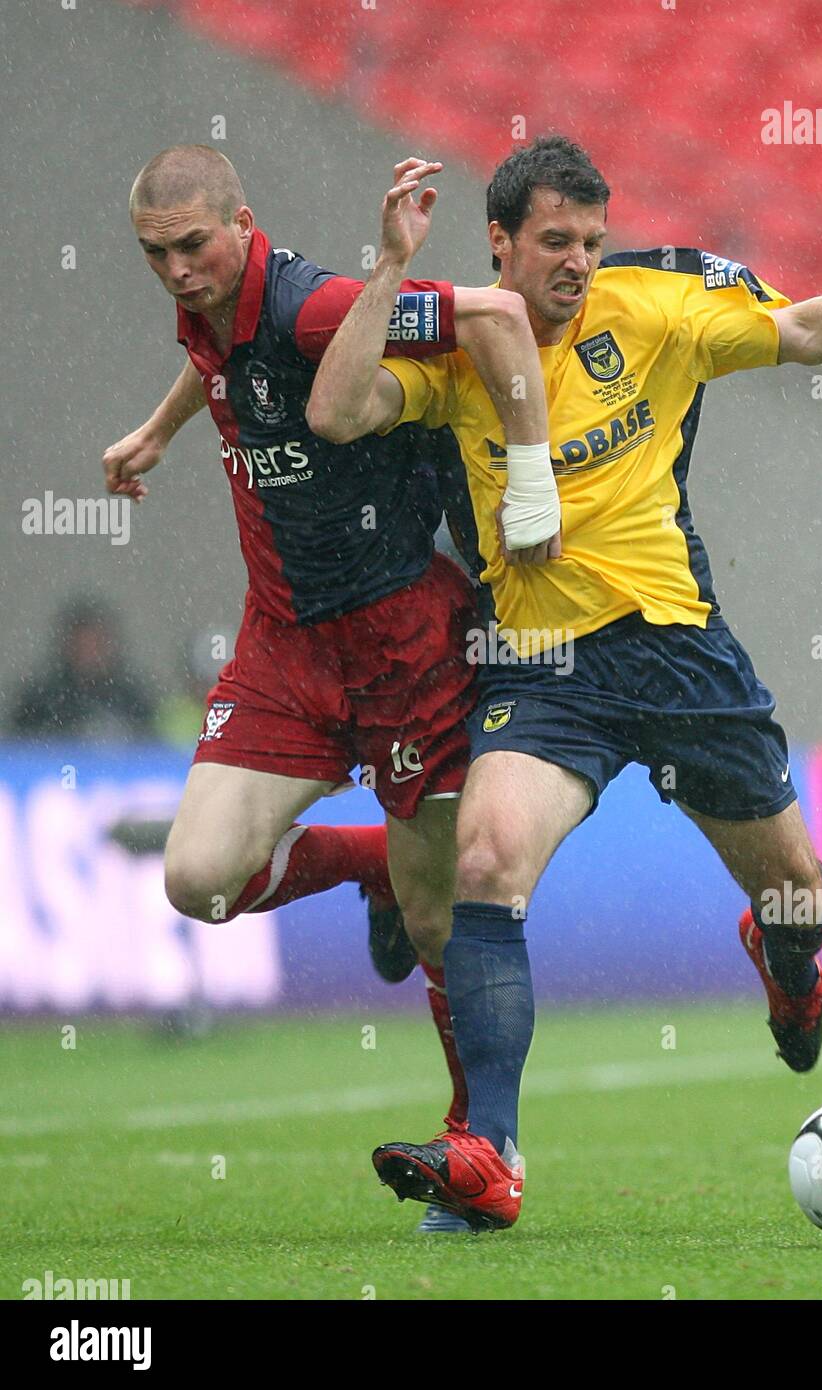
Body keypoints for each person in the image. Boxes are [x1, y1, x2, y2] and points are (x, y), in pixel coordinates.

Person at [311, 136, 822, 1230]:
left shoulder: (658, 302)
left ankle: (782, 959)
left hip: (678, 647)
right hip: (540, 666)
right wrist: (393, 270)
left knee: (797, 897)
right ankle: (488, 1153)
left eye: (591, 239)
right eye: (554, 241)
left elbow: (801, 328)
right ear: (498, 242)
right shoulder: (452, 341)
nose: (578, 261)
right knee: (488, 859)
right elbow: (339, 409)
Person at [102, 148, 560, 1233]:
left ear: (245, 225)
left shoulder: (321, 310)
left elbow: (496, 313)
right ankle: (371, 865)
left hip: (408, 639)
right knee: (200, 882)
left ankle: (477, 1150)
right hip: (286, 649)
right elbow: (222, 365)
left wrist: (532, 479)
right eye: (153, 252)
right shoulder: (210, 304)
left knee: (446, 919)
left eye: (193, 245)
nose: (174, 270)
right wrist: (162, 430)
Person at [6, 597, 155, 741]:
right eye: (83, 643)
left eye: (96, 643)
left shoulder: (131, 699)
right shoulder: (42, 699)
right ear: (67, 646)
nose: (90, 651)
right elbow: (21, 747)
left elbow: (150, 745)